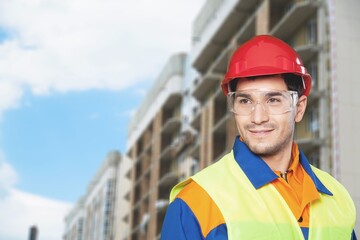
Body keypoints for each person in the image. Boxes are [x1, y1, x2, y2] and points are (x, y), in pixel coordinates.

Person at [160, 35, 357, 240]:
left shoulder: (337, 198)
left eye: (273, 100)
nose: (258, 117)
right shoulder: (196, 201)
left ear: (299, 108)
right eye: (245, 101)